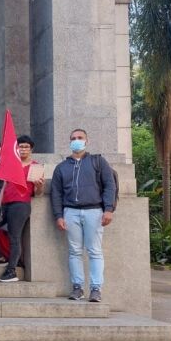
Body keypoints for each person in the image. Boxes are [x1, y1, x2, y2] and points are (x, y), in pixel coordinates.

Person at [50, 128, 116, 302]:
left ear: (87, 141)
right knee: (74, 252)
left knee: (95, 251)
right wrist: (59, 215)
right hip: (70, 212)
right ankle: (77, 287)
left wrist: (108, 209)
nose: (76, 140)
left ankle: (96, 289)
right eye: (73, 138)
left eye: (80, 138)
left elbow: (110, 185)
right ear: (69, 142)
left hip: (94, 211)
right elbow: (56, 193)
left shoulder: (98, 162)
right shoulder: (61, 167)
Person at [0, 135, 45, 282]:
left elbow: (38, 193)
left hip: (21, 204)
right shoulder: (11, 165)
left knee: (14, 236)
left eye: (26, 147)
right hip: (5, 204)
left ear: (31, 149)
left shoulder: (36, 166)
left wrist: (40, 186)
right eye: (20, 146)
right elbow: (4, 186)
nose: (23, 149)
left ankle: (11, 271)